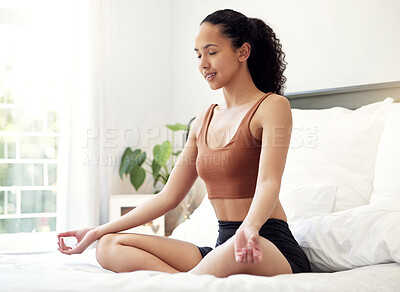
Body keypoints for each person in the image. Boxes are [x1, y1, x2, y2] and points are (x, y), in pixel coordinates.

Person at [57, 8, 311, 277]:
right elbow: (168, 196)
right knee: (109, 245)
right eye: (199, 55)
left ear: (242, 52)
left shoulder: (272, 106)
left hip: (265, 243)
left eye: (212, 52)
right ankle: (187, 281)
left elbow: (269, 182)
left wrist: (249, 227)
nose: (203, 63)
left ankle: (190, 280)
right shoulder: (204, 119)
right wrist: (98, 230)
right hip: (223, 246)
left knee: (235, 250)